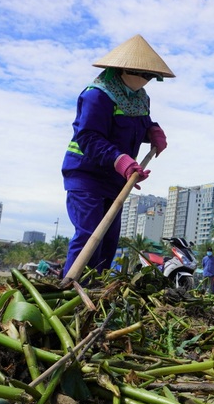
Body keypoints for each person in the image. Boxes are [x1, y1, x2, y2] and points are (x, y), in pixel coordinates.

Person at [62, 35, 174, 278]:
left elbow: (139, 125)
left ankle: (97, 292)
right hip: (86, 175)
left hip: (115, 181)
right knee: (90, 234)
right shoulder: (97, 95)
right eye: (144, 75)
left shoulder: (141, 97)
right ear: (125, 69)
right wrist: (120, 160)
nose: (147, 81)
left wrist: (152, 130)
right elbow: (89, 137)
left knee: (109, 241)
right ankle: (70, 291)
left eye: (151, 77)